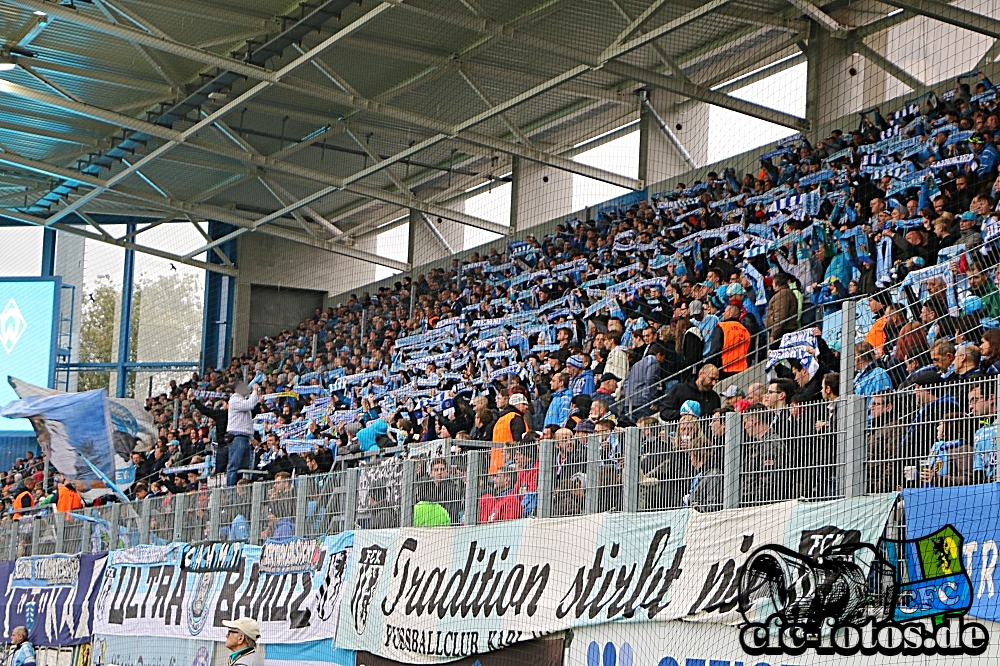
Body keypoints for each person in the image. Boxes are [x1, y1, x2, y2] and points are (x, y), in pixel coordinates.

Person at [227, 380, 260, 487]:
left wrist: (251, 438)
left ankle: (241, 493)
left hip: (245, 438)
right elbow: (250, 405)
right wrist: (255, 391)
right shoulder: (235, 400)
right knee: (234, 466)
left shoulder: (242, 401)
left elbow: (246, 420)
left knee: (244, 469)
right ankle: (231, 493)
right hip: (238, 438)